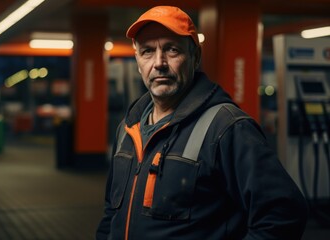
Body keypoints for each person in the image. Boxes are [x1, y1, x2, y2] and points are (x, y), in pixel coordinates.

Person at [96, 5, 308, 240]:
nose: (159, 63)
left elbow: (283, 214)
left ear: (195, 57)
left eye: (172, 50)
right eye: (147, 51)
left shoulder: (227, 128)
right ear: (138, 61)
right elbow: (111, 215)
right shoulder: (128, 129)